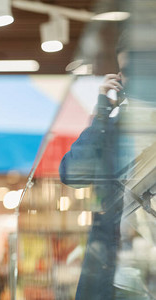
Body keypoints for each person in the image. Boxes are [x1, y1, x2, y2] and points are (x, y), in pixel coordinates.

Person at [59, 31, 156, 300]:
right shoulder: (114, 128)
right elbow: (71, 173)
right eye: (127, 72)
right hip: (117, 279)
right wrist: (103, 112)